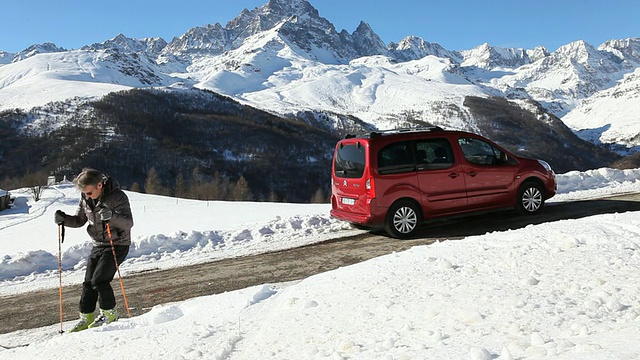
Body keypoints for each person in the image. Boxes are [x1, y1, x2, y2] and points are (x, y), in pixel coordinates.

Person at [54, 168, 134, 332]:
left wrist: (111, 215)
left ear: (99, 185)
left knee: (100, 280)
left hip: (117, 244)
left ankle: (110, 314)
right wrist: (64, 220)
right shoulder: (85, 198)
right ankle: (86, 317)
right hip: (98, 244)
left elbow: (128, 223)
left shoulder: (117, 197)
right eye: (84, 193)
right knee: (88, 283)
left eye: (89, 192)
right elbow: (79, 220)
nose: (87, 196)